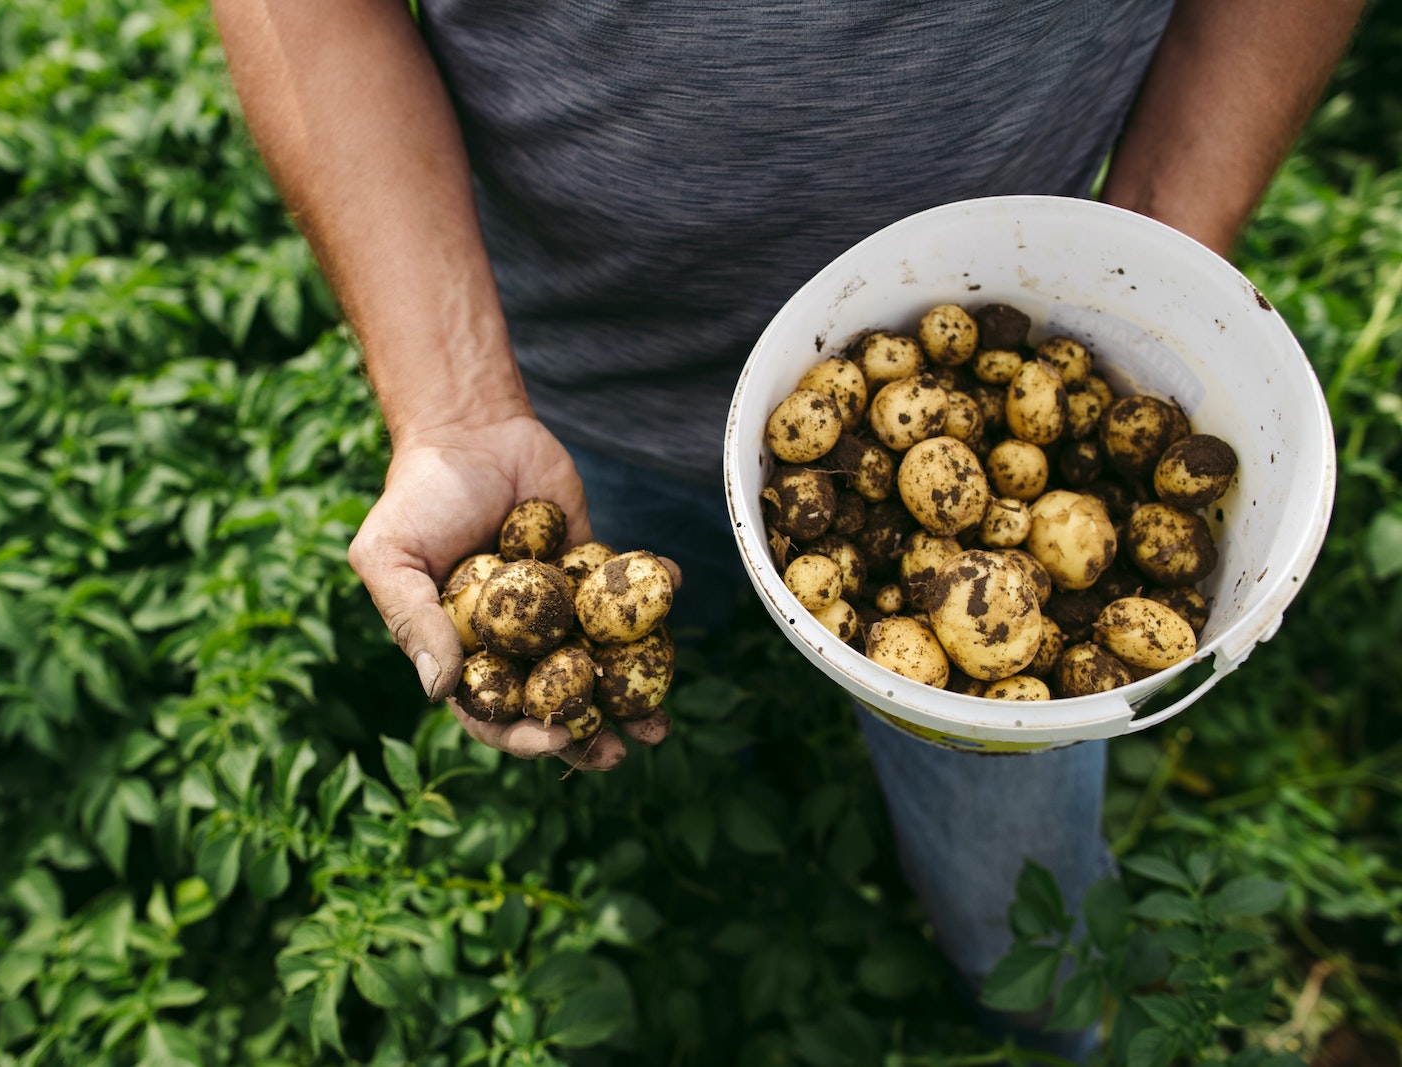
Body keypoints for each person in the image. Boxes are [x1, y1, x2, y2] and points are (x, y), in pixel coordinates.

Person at [212, 0, 1363, 1054]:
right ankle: (671, 867)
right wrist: (456, 402)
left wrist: (1150, 261)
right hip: (562, 391)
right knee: (632, 708)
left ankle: (1061, 1023)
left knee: (1024, 907)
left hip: (1019, 278)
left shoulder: (1020, 467)